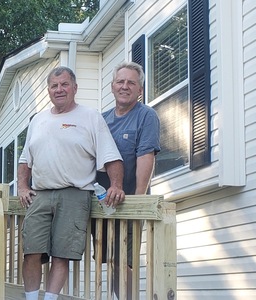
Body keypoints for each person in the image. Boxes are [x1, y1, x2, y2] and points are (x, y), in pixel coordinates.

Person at [18, 66, 125, 300]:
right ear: (48, 90)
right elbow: (25, 159)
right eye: (54, 86)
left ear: (75, 88)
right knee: (31, 252)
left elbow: (111, 156)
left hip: (75, 194)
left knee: (61, 255)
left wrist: (116, 185)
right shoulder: (38, 120)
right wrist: (23, 187)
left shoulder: (90, 117)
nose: (59, 89)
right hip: (41, 194)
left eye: (65, 84)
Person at [93, 61, 161, 299]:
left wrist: (137, 201)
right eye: (120, 82)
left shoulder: (146, 116)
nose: (125, 86)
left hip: (129, 202)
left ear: (140, 89)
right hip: (103, 204)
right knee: (111, 260)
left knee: (126, 262)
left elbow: (146, 155)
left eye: (131, 82)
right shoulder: (101, 120)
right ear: (112, 87)